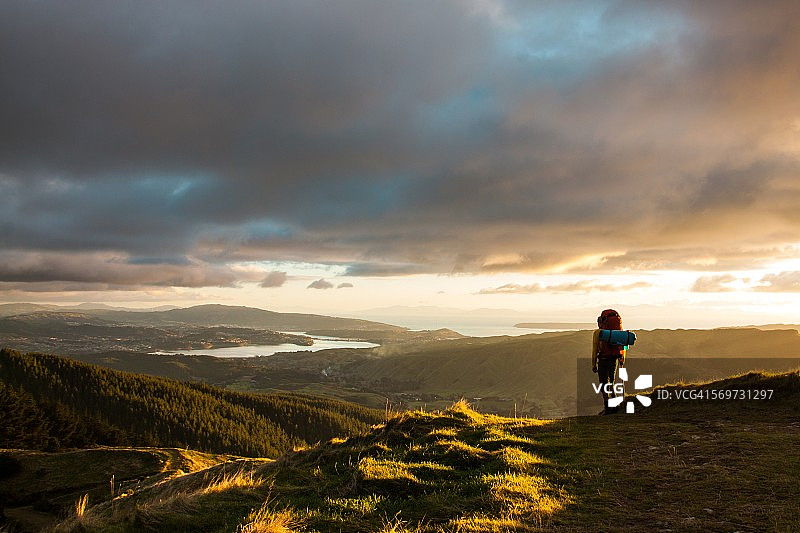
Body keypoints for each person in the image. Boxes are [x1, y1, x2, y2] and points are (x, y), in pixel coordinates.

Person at [592, 309, 626, 415]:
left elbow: (595, 350)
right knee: (611, 382)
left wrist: (593, 364)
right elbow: (623, 345)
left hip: (603, 359)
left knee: (603, 384)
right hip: (614, 359)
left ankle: (607, 408)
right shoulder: (618, 333)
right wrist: (622, 358)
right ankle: (615, 405)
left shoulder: (598, 333)